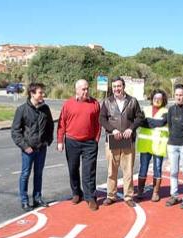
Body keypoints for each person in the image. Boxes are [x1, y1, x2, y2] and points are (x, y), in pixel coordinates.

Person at [57, 79, 101, 211]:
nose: (86, 91)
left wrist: (96, 139)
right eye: (83, 89)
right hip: (72, 142)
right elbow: (61, 123)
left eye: (87, 89)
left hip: (89, 143)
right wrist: (60, 141)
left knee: (89, 171)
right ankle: (76, 193)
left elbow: (98, 123)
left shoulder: (94, 103)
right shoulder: (68, 104)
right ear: (76, 90)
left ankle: (90, 197)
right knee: (73, 168)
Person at [100, 76, 144, 207]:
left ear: (123, 86)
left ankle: (128, 196)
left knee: (128, 170)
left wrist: (131, 128)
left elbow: (139, 117)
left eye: (119, 86)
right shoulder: (107, 102)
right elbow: (102, 119)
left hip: (127, 140)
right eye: (114, 87)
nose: (116, 89)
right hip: (112, 139)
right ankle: (111, 195)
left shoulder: (132, 101)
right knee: (111, 170)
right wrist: (112, 130)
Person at [11, 82, 54, 211]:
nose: (43, 94)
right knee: (25, 174)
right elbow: (15, 131)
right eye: (40, 92)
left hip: (41, 148)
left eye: (42, 92)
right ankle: (24, 200)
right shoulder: (22, 109)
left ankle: (37, 198)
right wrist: (24, 146)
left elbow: (50, 126)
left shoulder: (45, 109)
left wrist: (48, 141)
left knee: (39, 173)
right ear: (32, 94)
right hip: (28, 150)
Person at [136, 89, 169, 201]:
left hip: (158, 145)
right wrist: (151, 122)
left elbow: (161, 123)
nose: (157, 100)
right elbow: (140, 122)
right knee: (143, 168)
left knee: (157, 169)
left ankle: (155, 192)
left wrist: (148, 121)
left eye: (159, 98)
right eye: (155, 98)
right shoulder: (146, 109)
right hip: (146, 145)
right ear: (152, 98)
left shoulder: (166, 111)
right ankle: (140, 191)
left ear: (163, 100)